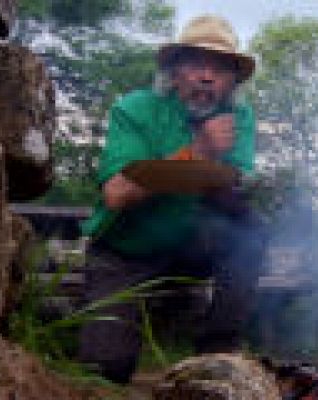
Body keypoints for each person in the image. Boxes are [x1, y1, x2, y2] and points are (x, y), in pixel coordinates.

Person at [78, 15, 264, 383]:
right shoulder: (135, 109)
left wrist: (227, 181)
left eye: (221, 68)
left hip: (190, 246)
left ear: (231, 83)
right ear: (175, 72)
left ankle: (218, 354)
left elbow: (235, 188)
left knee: (250, 230)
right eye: (195, 63)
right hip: (126, 249)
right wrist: (199, 151)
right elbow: (117, 194)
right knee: (106, 370)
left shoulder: (239, 117)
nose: (207, 76)